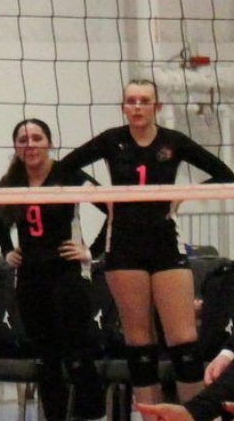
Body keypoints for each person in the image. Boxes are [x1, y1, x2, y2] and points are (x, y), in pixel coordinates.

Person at [55, 80, 234, 406]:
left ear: (157, 107)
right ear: (124, 106)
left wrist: (183, 194)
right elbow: (64, 168)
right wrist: (101, 197)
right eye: (131, 101)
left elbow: (225, 173)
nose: (137, 106)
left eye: (144, 101)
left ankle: (194, 416)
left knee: (184, 343)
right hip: (123, 246)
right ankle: (152, 415)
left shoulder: (173, 142)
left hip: (165, 244)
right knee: (140, 344)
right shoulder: (112, 140)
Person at [0, 117, 106, 421]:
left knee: (77, 353)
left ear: (50, 142)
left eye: (37, 138)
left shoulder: (68, 174)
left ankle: (92, 415)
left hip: (67, 274)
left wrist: (91, 252)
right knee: (45, 358)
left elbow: (113, 207)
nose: (30, 145)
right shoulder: (10, 182)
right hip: (31, 276)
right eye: (23, 140)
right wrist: (7, 250)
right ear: (16, 147)